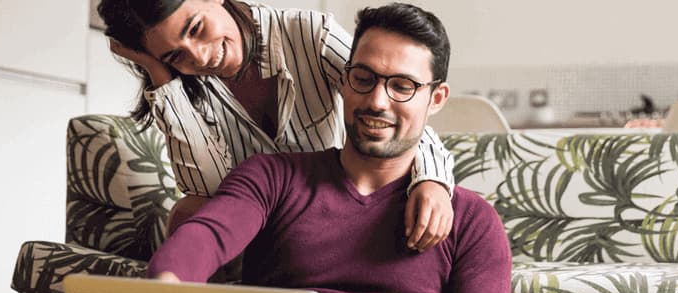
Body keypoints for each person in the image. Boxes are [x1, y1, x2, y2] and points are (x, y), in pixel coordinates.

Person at [148, 3, 515, 293]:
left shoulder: (471, 220)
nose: (377, 101)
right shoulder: (273, 177)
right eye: (364, 79)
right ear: (344, 80)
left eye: (402, 86)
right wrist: (168, 286)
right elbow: (206, 235)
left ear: (436, 98)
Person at [97, 0, 456, 252]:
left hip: (333, 205)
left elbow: (391, 107)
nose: (201, 56)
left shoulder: (309, 34)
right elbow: (207, 191)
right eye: (175, 54)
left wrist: (433, 180)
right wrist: (161, 75)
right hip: (257, 222)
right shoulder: (183, 86)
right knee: (189, 212)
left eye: (196, 28)